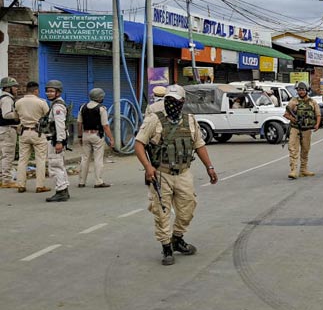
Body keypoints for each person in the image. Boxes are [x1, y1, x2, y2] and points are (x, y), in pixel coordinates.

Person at [134, 84, 218, 266]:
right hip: (161, 173)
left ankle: (177, 238)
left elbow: (199, 145)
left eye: (176, 101)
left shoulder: (190, 120)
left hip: (184, 173)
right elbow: (139, 144)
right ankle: (166, 247)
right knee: (162, 212)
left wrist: (209, 167)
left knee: (188, 208)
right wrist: (148, 167)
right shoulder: (153, 120)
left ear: (183, 102)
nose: (172, 104)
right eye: (169, 101)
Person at [14, 81, 49, 194]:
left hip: (24, 132)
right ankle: (40, 185)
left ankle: (20, 185)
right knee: (40, 159)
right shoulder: (41, 102)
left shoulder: (18, 102)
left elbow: (16, 117)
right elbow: (48, 116)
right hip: (37, 132)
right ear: (36, 90)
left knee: (22, 159)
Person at [76, 88, 115, 188]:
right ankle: (98, 181)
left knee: (84, 158)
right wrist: (111, 138)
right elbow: (105, 126)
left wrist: (80, 136)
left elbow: (79, 124)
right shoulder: (101, 109)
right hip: (97, 135)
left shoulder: (82, 107)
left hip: (85, 135)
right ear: (100, 97)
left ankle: (81, 182)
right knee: (98, 159)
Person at [41, 80, 71, 203]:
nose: (49, 93)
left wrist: (59, 141)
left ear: (58, 92)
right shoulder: (55, 104)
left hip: (55, 140)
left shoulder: (57, 106)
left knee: (55, 166)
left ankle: (61, 192)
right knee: (59, 165)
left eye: (52, 91)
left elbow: (59, 125)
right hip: (55, 139)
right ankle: (64, 189)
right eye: (47, 91)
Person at [284, 82, 321, 179]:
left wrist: (317, 124)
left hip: (307, 129)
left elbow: (318, 114)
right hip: (295, 128)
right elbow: (286, 114)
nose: (301, 92)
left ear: (307, 90)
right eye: (299, 90)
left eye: (303, 90)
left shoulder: (312, 102)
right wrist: (293, 119)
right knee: (293, 149)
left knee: (305, 149)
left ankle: (303, 169)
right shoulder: (293, 101)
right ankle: (293, 170)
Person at [0, 77, 20, 188]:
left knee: (2, 155)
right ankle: (6, 180)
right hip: (7, 129)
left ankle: (2, 178)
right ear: (7, 88)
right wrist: (18, 114)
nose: (16, 89)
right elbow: (6, 114)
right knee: (7, 155)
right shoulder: (7, 99)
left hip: (2, 129)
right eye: (14, 87)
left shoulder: (2, 98)